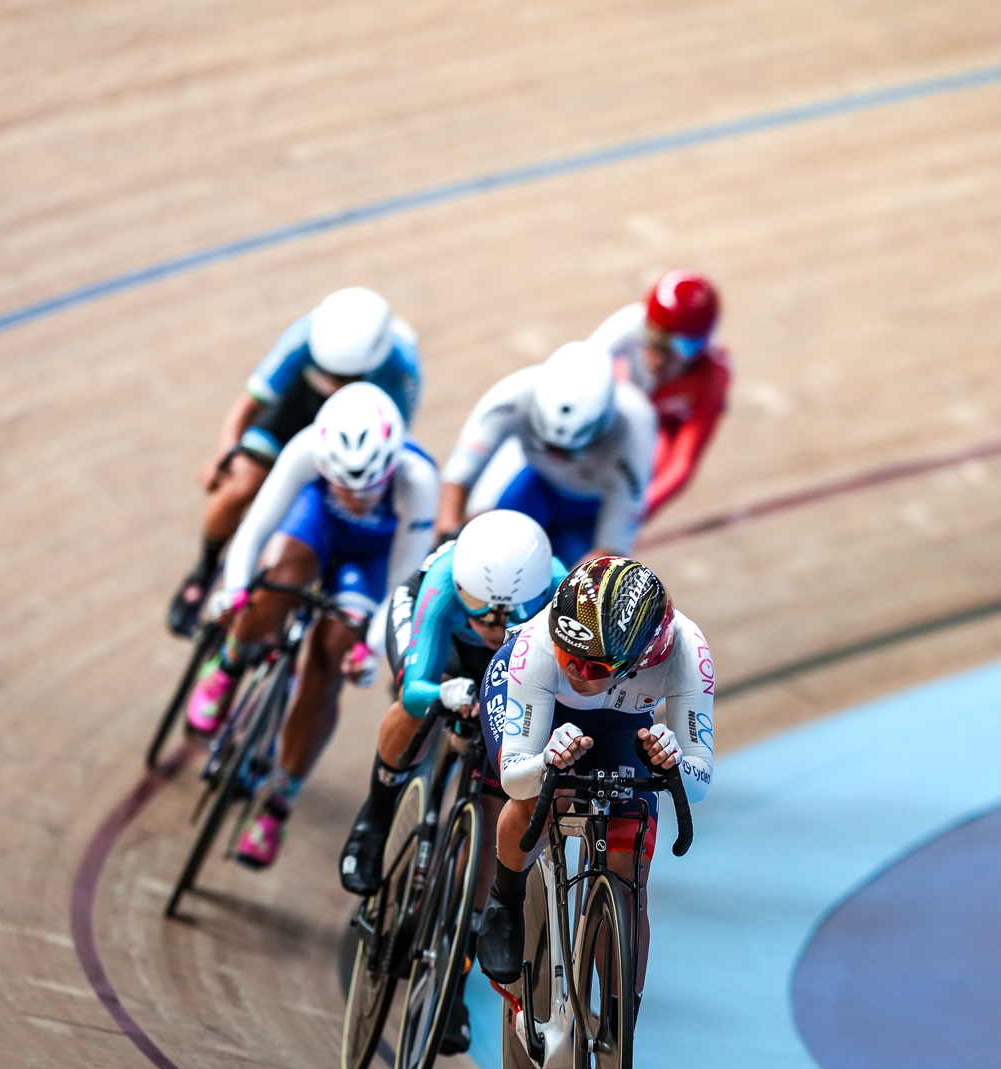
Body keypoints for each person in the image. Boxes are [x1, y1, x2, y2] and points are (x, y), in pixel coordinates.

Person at [474, 556, 715, 1069]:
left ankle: (617, 1048)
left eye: (594, 664)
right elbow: (513, 776)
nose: (576, 670)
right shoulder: (538, 648)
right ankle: (505, 901)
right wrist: (546, 762)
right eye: (568, 652)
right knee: (534, 800)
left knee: (628, 873)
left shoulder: (687, 650)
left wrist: (674, 761)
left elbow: (701, 778)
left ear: (641, 658)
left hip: (620, 732)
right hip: (540, 718)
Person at [337, 510, 564, 1056]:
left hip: (518, 664)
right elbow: (416, 684)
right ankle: (376, 815)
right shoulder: (441, 587)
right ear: (463, 589)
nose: (490, 622)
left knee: (494, 804)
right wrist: (441, 693)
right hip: (442, 647)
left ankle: (452, 987)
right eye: (480, 612)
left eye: (503, 616)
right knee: (414, 710)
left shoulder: (557, 598)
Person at [184, 382, 437, 869]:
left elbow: (405, 583)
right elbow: (256, 528)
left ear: (390, 468)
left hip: (370, 561)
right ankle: (229, 665)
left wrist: (372, 648)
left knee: (328, 664)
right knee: (276, 578)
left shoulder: (418, 479)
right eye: (343, 483)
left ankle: (279, 803)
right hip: (314, 526)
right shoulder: (306, 449)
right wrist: (236, 590)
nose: (356, 497)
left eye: (367, 487)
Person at [167, 287, 422, 636]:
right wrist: (225, 454)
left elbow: (387, 445)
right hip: (295, 414)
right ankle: (205, 566)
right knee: (240, 486)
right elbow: (248, 404)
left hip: (349, 432)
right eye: (328, 373)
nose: (335, 384)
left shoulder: (403, 369)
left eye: (347, 378)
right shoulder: (304, 335)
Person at [433, 339, 656, 566]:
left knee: (570, 580)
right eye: (549, 446)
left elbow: (611, 549)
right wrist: (448, 540)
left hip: (592, 511)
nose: (558, 458)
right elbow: (457, 478)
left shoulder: (634, 430)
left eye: (569, 451)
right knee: (486, 548)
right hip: (538, 486)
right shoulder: (512, 395)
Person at [588, 269, 731, 520]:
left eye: (682, 347)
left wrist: (634, 512)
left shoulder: (714, 373)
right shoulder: (628, 324)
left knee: (644, 472)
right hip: (623, 402)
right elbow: (578, 371)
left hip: (660, 430)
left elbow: (682, 460)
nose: (662, 357)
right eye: (654, 337)